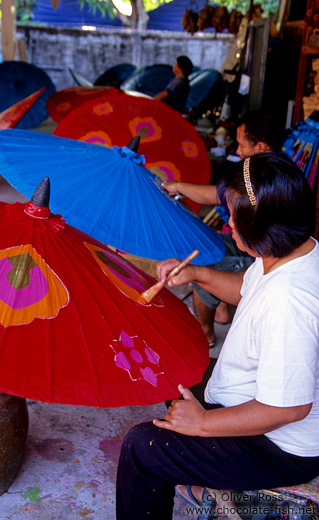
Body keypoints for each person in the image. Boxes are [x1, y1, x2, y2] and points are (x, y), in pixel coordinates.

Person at [116, 152, 319, 520]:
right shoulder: (293, 251)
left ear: (260, 226)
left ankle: (197, 470)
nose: (227, 223)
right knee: (169, 363)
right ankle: (200, 477)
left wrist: (203, 423)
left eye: (232, 216)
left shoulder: (290, 303)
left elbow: (289, 408)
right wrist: (197, 275)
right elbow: (249, 288)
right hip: (255, 397)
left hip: (280, 447)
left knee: (143, 448)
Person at [162, 110, 283, 347]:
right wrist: (178, 186)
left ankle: (205, 332)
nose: (237, 151)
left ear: (260, 146)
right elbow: (219, 194)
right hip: (259, 253)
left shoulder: (268, 182)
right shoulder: (262, 171)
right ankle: (220, 309)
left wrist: (197, 272)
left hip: (264, 257)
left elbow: (220, 197)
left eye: (240, 145)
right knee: (205, 248)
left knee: (205, 259)